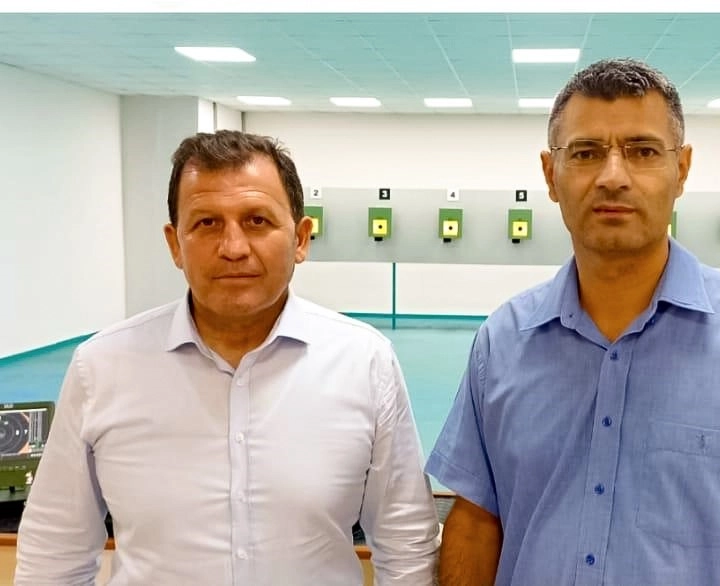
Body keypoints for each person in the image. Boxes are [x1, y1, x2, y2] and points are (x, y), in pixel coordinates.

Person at [425, 58, 720, 586]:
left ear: (682, 169)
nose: (613, 176)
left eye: (643, 151)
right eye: (585, 152)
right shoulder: (502, 343)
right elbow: (477, 525)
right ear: (550, 174)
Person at [15, 130, 440, 585]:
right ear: (175, 244)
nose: (233, 248)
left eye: (257, 220)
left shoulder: (365, 363)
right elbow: (53, 554)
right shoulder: (101, 368)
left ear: (301, 238)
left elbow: (406, 546)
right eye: (207, 223)